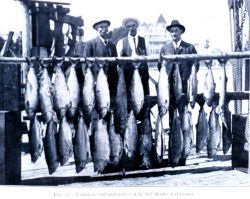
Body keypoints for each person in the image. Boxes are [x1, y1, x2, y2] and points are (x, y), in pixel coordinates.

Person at [158, 20, 199, 166]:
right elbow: (159, 67)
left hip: (184, 92)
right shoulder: (164, 48)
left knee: (185, 122)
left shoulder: (189, 48)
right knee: (172, 122)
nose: (173, 33)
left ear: (181, 32)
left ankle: (183, 156)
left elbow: (196, 66)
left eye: (176, 31)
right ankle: (173, 154)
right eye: (171, 31)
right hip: (169, 92)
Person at [116, 17, 150, 114]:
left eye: (133, 25)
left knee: (144, 104)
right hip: (127, 79)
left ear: (137, 26)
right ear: (126, 28)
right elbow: (119, 62)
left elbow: (148, 58)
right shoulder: (121, 42)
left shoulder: (145, 41)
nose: (131, 28)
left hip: (143, 78)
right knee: (129, 104)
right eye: (128, 26)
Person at [83, 19, 118, 108]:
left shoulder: (112, 45)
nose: (104, 29)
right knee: (98, 107)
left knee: (110, 106)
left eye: (106, 27)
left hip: (111, 82)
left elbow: (115, 64)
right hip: (97, 82)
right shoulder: (90, 44)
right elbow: (85, 65)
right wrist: (91, 80)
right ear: (96, 29)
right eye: (101, 27)